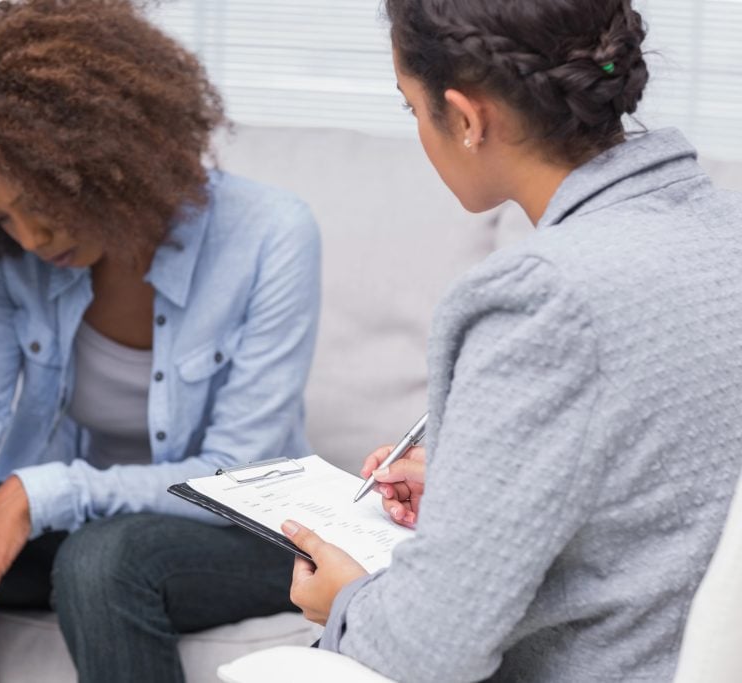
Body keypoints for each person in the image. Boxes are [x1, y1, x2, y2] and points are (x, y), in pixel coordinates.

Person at [0, 1, 321, 681]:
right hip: (92, 527)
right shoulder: (6, 258)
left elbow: (235, 475)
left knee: (103, 561)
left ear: (108, 158)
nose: (35, 239)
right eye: (9, 217)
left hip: (244, 530)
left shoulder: (272, 234)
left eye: (48, 201)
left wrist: (41, 493)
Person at [283, 0, 742, 680]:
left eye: (413, 108)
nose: (418, 128)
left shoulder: (541, 296)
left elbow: (426, 651)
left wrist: (345, 600)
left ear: (468, 119)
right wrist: (477, 492)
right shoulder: (715, 232)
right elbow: (672, 488)